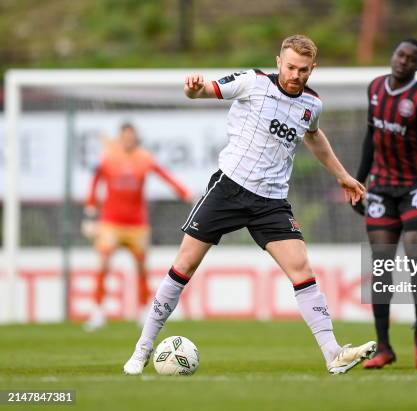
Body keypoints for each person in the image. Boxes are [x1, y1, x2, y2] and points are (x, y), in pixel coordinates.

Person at [123, 34, 376, 376]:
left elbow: (314, 136)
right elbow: (203, 91)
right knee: (185, 263)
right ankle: (142, 350)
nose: (295, 75)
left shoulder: (312, 105)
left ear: (312, 69)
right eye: (290, 67)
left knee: (301, 268)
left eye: (303, 69)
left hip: (271, 201)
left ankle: (333, 352)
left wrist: (342, 175)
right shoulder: (252, 83)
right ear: (278, 63)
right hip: (228, 189)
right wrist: (193, 88)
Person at [352, 39, 417, 370]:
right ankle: (384, 347)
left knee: (415, 259)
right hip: (381, 188)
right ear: (392, 56)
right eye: (400, 54)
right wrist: (358, 181)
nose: (403, 61)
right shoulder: (375, 89)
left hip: (416, 188)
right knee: (381, 267)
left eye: (411, 59)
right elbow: (371, 136)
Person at [83, 123, 192, 331]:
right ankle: (97, 311)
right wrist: (90, 210)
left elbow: (164, 175)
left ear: (136, 138)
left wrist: (183, 192)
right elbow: (95, 181)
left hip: (137, 223)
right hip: (111, 222)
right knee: (103, 264)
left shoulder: (144, 158)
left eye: (131, 136)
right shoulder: (109, 157)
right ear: (120, 138)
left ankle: (144, 311)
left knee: (142, 269)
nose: (128, 140)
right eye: (125, 136)